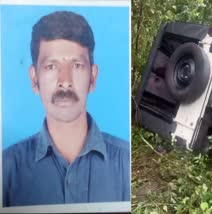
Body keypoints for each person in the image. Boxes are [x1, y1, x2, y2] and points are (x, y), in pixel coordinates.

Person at [2, 11, 130, 207]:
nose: (65, 82)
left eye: (77, 65)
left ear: (93, 77)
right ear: (34, 79)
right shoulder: (7, 168)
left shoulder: (127, 163)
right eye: (51, 67)